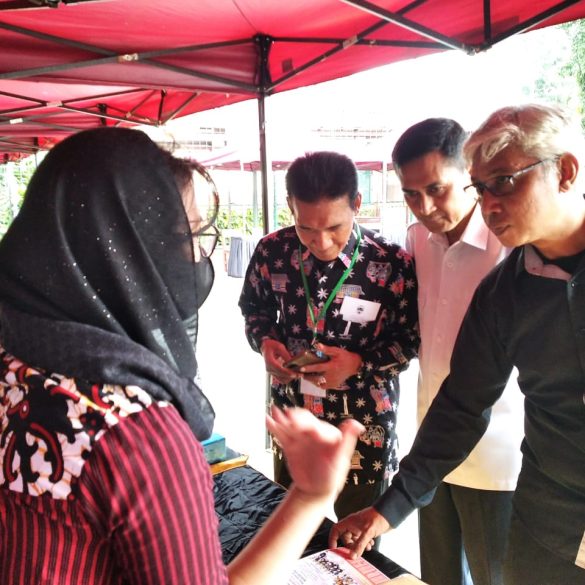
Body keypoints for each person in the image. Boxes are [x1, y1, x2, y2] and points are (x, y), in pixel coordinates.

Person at [0, 127, 365, 585]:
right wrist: (310, 496)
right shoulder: (135, 435)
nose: (196, 256)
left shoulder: (14, 357)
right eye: (187, 234)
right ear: (128, 251)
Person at [330, 103, 585, 584]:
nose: (489, 205)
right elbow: (463, 402)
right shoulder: (503, 292)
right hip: (547, 517)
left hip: (501, 470)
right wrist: (389, 507)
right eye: (481, 188)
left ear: (565, 172)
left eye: (505, 182)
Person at [239, 151, 419, 523]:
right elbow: (254, 309)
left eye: (334, 227)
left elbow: (410, 339)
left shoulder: (391, 263)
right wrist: (266, 342)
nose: (320, 242)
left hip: (363, 426)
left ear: (357, 204)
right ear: (290, 205)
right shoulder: (272, 251)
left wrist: (360, 364)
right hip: (294, 418)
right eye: (306, 228)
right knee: (289, 529)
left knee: (355, 538)